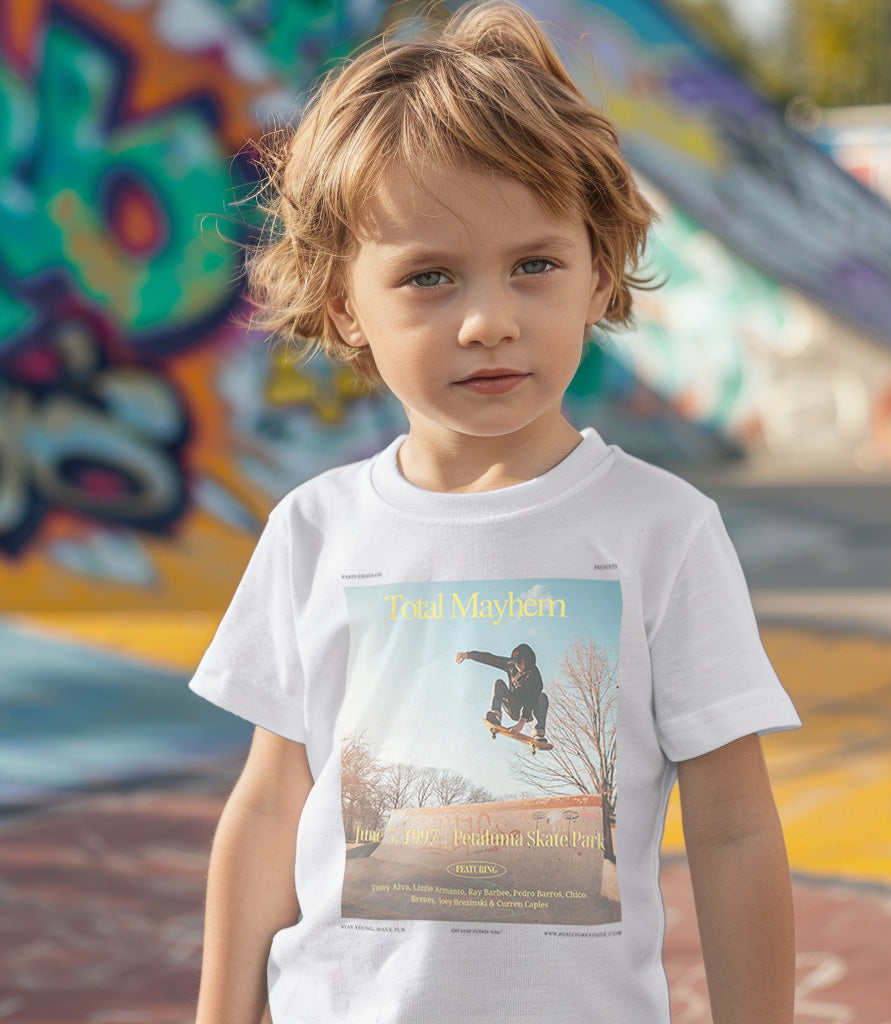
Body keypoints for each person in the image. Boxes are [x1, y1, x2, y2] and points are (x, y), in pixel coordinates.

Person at [189, 3, 801, 1022]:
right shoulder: (314, 531)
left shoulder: (663, 532)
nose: (488, 320)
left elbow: (735, 828)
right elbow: (265, 810)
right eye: (428, 276)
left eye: (534, 265)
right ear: (345, 301)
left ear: (597, 271)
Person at [456, 643, 550, 742]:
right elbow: (491, 659)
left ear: (527, 661)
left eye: (519, 662)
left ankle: (538, 732)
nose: (517, 665)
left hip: (529, 712)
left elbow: (532, 700)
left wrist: (521, 724)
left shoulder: (534, 675)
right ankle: (496, 715)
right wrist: (468, 655)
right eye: (515, 662)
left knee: (541, 697)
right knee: (499, 683)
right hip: (513, 707)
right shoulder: (511, 665)